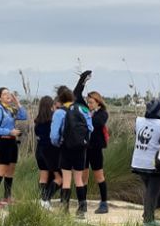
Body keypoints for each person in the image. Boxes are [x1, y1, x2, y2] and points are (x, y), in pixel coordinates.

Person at [49, 71, 93, 216]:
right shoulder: (82, 109)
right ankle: (81, 209)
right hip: (81, 149)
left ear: (60, 99)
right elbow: (90, 128)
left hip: (66, 148)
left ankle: (65, 210)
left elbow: (54, 135)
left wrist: (58, 143)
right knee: (79, 179)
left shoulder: (59, 112)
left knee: (66, 180)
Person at [0, 87, 27, 206]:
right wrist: (10, 132)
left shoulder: (10, 110)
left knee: (11, 169)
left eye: (9, 93)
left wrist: (17, 102)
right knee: (2, 169)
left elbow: (24, 116)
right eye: (5, 94)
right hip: (3, 142)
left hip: (13, 142)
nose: (8, 95)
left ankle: (7, 197)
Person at [131, 99, 160, 226]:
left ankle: (148, 213)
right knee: (152, 192)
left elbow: (136, 134)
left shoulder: (139, 121)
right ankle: (148, 219)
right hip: (154, 163)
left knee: (149, 190)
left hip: (138, 161)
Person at [34, 96, 62, 208]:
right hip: (51, 153)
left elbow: (38, 137)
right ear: (51, 106)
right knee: (60, 178)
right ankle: (46, 199)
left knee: (43, 177)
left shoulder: (38, 122)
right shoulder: (53, 122)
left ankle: (42, 200)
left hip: (39, 152)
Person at [85, 91, 110, 214]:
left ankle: (104, 202)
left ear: (98, 103)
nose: (88, 104)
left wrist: (87, 117)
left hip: (95, 149)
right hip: (84, 148)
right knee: (83, 176)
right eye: (88, 102)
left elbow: (97, 123)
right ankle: (82, 201)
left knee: (99, 176)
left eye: (91, 102)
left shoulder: (102, 113)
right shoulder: (86, 113)